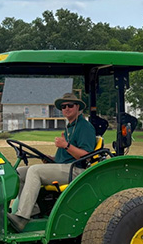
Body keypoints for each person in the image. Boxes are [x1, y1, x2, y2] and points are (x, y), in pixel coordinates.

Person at [7, 92, 96, 231]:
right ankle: (33, 210)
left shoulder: (84, 127)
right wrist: (50, 158)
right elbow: (66, 155)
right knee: (19, 173)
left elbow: (87, 156)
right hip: (64, 166)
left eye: (70, 105)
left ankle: (22, 218)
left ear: (78, 107)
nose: (66, 109)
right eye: (63, 106)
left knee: (35, 171)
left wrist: (65, 145)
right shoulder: (69, 127)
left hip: (77, 170)